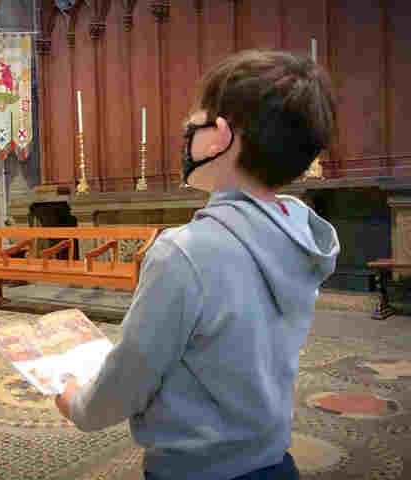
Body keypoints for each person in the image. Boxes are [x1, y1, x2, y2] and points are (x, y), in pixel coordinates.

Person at [55, 50, 340, 480]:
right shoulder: (298, 235)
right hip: (274, 464)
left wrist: (75, 401)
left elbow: (128, 380)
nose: (187, 128)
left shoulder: (185, 253)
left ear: (219, 136)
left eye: (196, 119)